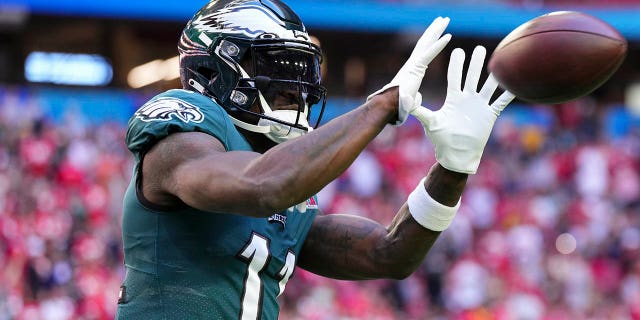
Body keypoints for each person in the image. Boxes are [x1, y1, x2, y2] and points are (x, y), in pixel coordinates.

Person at [115, 0, 515, 318]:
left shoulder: (282, 172)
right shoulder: (183, 125)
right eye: (275, 67)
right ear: (213, 68)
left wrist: (453, 169)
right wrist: (380, 106)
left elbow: (388, 253)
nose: (296, 86)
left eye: (301, 69)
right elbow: (259, 186)